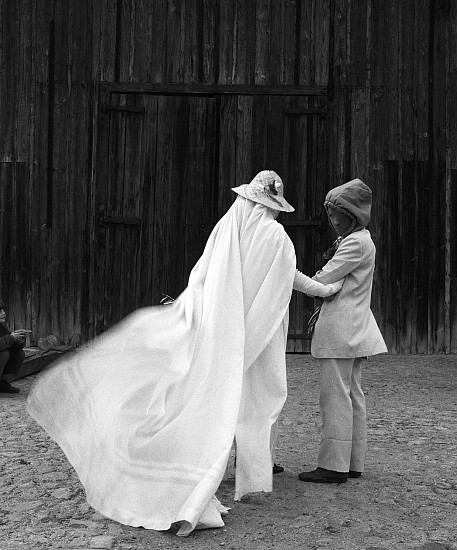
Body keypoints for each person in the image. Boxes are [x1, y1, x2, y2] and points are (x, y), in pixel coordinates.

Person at [27, 170, 341, 536]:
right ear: (272, 206)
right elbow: (290, 278)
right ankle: (252, 473)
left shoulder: (227, 229)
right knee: (262, 396)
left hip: (217, 329)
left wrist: (191, 314)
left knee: (211, 394)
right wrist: (324, 290)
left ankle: (219, 466)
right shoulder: (276, 238)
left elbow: (202, 275)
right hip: (260, 332)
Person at [298, 178, 387, 484]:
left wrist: (302, 279)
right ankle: (352, 461)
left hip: (341, 330)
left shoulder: (355, 242)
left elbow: (325, 278)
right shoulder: (360, 239)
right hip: (354, 328)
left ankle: (333, 466)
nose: (333, 220)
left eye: (337, 214)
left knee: (335, 396)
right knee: (352, 394)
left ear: (352, 214)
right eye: (330, 215)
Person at [0, 299, 29, 394]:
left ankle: (2, 383)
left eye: (3, 310)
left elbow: (11, 344)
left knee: (18, 354)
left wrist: (19, 340)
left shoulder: (1, 327)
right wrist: (11, 338)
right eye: (0, 311)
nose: (3, 313)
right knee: (4, 354)